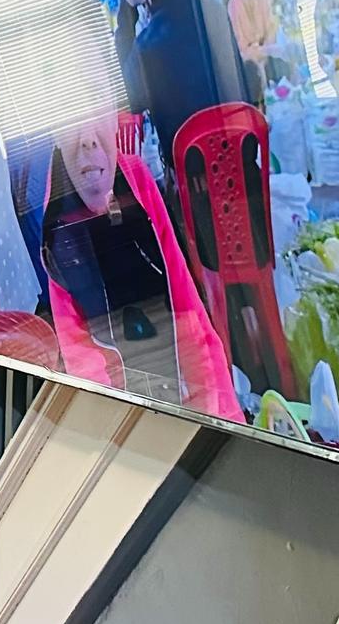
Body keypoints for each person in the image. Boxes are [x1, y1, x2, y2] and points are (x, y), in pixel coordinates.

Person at [41, 113, 243, 420]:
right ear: (54, 133)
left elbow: (187, 305)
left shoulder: (135, 177)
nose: (88, 139)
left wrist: (218, 415)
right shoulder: (56, 221)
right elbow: (80, 355)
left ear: (115, 118)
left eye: (97, 113)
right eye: (71, 117)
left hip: (180, 390)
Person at [119, 0, 225, 167]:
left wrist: (127, 16)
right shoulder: (211, 13)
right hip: (238, 168)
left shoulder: (145, 46)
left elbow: (130, 102)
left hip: (191, 181)